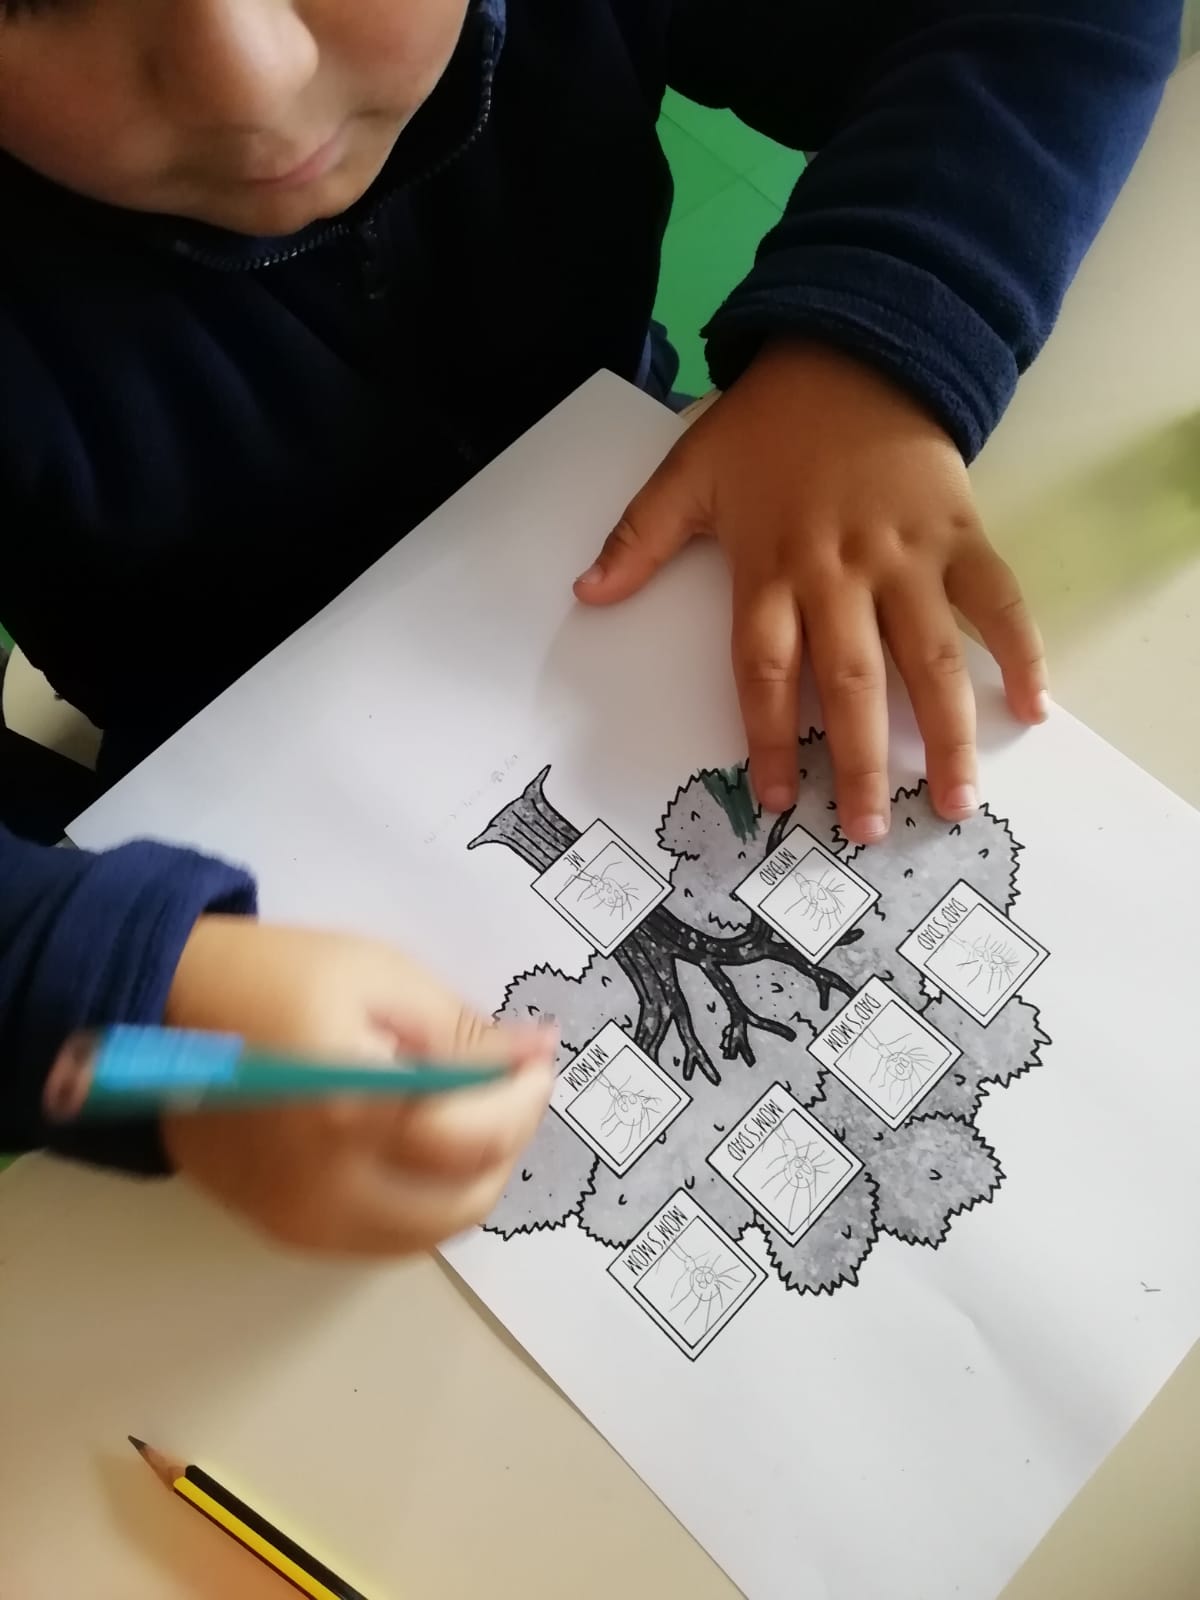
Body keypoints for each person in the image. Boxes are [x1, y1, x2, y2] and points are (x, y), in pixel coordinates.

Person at [0, 0, 1182, 1249]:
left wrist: (877, 348)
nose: (250, 81)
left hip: (654, 535)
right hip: (229, 812)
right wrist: (121, 1001)